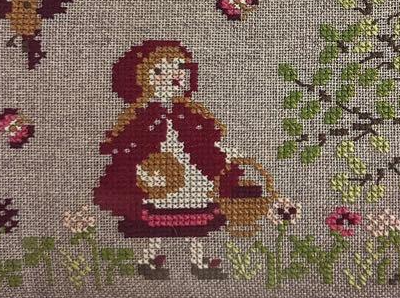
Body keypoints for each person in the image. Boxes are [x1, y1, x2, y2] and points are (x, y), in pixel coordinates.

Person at [95, 40, 271, 279]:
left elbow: (208, 143)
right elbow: (128, 150)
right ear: (141, 78)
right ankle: (148, 259)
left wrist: (229, 155)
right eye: (160, 70)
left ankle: (198, 262)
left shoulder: (190, 113)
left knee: (195, 221)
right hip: (158, 179)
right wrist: (142, 174)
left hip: (191, 177)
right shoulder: (142, 116)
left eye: (178, 67)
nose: (173, 75)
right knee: (156, 223)